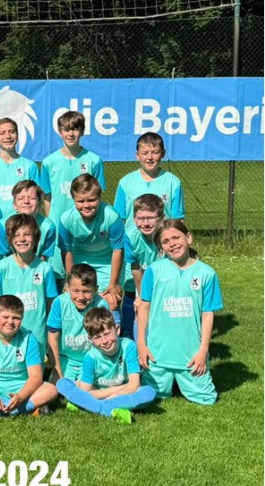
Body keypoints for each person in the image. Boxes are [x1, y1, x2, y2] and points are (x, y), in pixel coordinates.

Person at [136, 220, 221, 405]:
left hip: (191, 356)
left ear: (188, 237)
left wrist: (203, 350)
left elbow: (208, 314)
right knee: (149, 396)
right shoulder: (154, 270)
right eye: (165, 241)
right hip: (157, 355)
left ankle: (185, 378)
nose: (172, 244)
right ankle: (164, 378)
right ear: (160, 247)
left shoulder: (207, 274)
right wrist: (141, 344)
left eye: (176, 237)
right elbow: (144, 307)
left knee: (207, 399)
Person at [56, 307, 156, 424]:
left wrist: (113, 396)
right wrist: (116, 390)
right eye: (97, 337)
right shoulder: (90, 357)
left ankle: (91, 405)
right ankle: (108, 409)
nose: (104, 341)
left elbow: (134, 384)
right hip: (103, 390)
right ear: (90, 339)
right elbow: (86, 391)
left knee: (149, 392)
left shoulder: (128, 347)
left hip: (122, 393)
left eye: (107, 334)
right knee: (62, 383)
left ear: (117, 329)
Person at [58, 174, 124, 314]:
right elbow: (67, 250)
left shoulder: (111, 216)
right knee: (73, 298)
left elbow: (118, 250)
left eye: (92, 200)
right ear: (73, 199)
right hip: (80, 261)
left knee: (111, 301)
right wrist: (69, 281)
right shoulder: (66, 219)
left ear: (100, 197)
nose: (86, 205)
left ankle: (113, 327)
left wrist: (114, 283)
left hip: (107, 262)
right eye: (80, 201)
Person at [0, 214, 57, 350]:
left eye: (27, 234)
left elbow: (50, 303)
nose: (22, 239)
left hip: (37, 335)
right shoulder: (2, 267)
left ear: (36, 238)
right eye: (16, 235)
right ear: (10, 239)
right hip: (10, 335)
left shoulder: (45, 269)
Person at [39, 111, 106, 225]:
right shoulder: (48, 162)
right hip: (58, 223)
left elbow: (98, 196)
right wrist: (51, 222)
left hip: (85, 224)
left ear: (82, 131)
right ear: (60, 132)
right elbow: (47, 196)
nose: (70, 134)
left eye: (75, 129)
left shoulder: (94, 161)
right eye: (66, 129)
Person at [46, 264, 110, 382]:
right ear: (67, 287)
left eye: (87, 291)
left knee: (86, 388)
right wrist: (57, 372)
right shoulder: (60, 303)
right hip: (65, 359)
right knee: (59, 388)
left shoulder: (101, 305)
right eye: (75, 291)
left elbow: (105, 338)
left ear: (96, 289)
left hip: (92, 359)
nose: (81, 297)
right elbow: (52, 339)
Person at [114, 132, 185, 230]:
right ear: (137, 155)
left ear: (163, 153)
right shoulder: (125, 182)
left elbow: (177, 219)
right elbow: (119, 218)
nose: (150, 157)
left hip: (161, 238)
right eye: (145, 153)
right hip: (132, 238)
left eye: (155, 152)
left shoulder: (173, 182)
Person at [122, 194, 166, 339]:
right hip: (144, 277)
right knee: (140, 310)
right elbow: (135, 267)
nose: (145, 223)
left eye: (151, 218)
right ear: (134, 219)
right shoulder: (130, 236)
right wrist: (142, 296)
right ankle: (139, 348)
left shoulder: (168, 235)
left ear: (162, 218)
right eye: (141, 218)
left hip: (167, 279)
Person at [0, 118, 40, 219]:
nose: (8, 136)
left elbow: (37, 198)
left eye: (12, 132)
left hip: (22, 223)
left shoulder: (30, 166)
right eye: (2, 133)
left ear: (17, 135)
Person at [0, 180, 56, 265]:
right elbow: (5, 255)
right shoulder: (3, 225)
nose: (26, 201)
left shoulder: (49, 227)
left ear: (39, 203)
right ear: (14, 205)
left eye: (32, 198)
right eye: (21, 198)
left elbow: (44, 257)